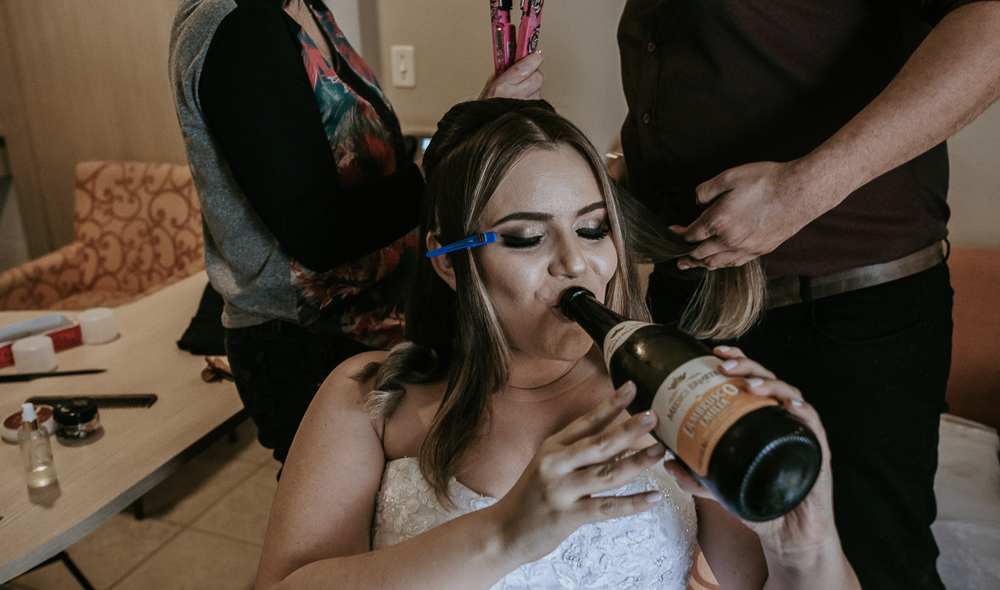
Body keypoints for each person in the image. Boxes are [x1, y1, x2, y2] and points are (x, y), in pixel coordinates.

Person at [253, 99, 859, 590]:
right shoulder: (370, 398)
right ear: (448, 263)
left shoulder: (674, 400)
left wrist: (807, 548)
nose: (577, 262)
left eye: (593, 228)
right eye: (524, 238)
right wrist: (504, 535)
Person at [616, 0, 1000, 588]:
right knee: (749, 571)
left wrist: (803, 189)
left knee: (873, 566)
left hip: (843, 318)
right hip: (705, 312)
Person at [166, 0, 544, 464]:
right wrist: (453, 151)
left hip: (369, 326)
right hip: (304, 346)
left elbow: (363, 157)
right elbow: (318, 231)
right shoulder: (237, 25)